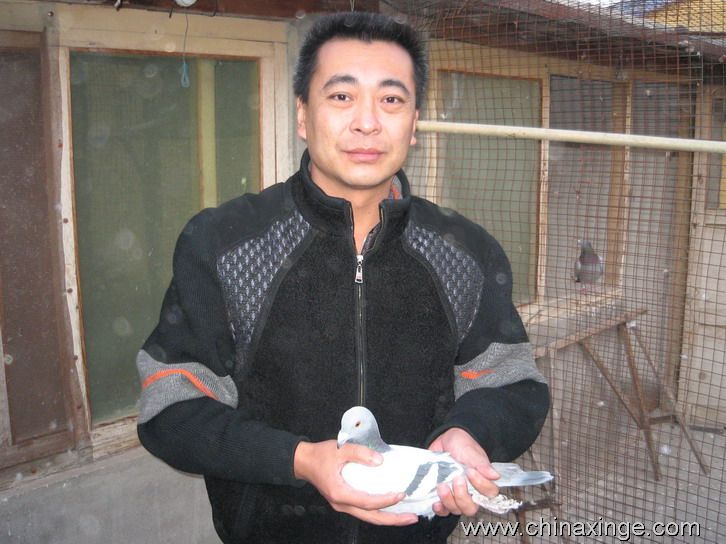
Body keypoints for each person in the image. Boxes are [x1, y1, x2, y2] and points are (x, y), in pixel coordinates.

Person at [136, 11, 549, 544]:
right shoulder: (223, 243)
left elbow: (510, 383)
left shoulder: (466, 252)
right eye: (341, 96)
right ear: (303, 115)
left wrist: (469, 431)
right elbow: (171, 405)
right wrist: (300, 460)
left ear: (414, 122)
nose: (367, 122)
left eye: (391, 99)